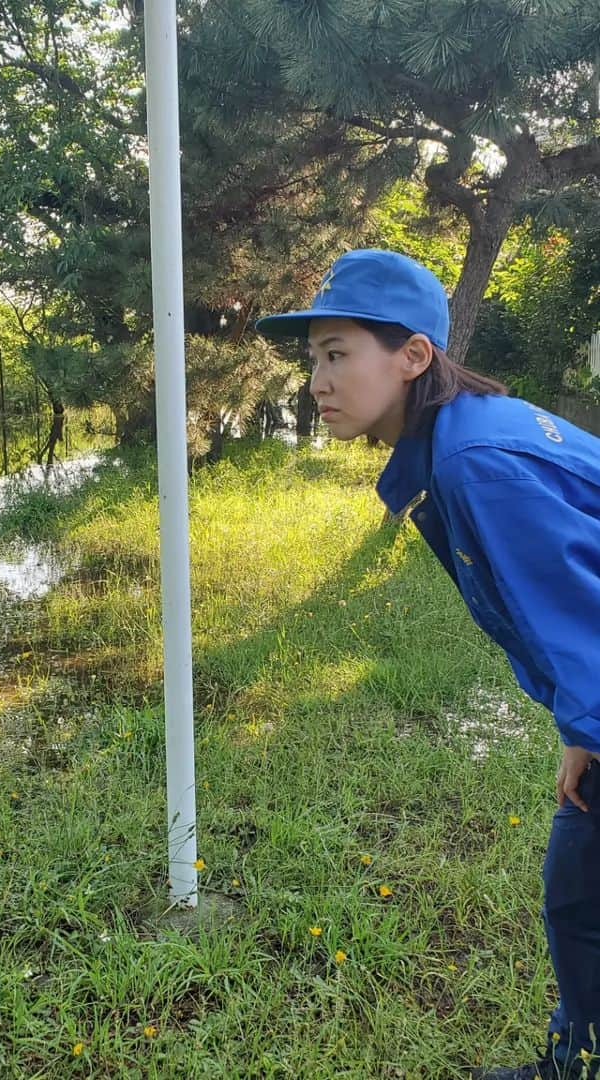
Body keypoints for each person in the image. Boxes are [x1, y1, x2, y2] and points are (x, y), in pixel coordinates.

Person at [255, 249, 600, 1080]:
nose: (317, 382)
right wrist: (580, 730)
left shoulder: (474, 462)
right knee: (580, 893)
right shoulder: (467, 436)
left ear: (413, 356)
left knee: (584, 894)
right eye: (313, 360)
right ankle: (575, 1060)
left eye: (338, 354)